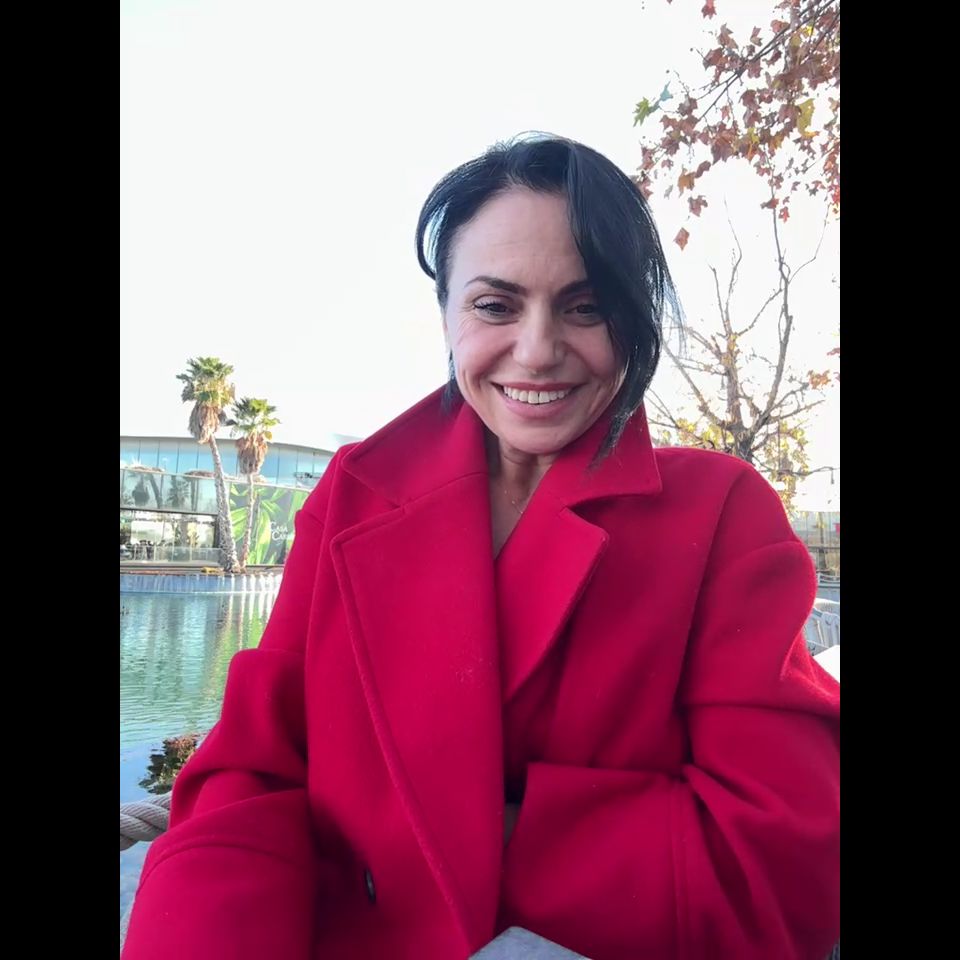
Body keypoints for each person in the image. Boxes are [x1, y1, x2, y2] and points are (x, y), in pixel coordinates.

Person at [122, 135, 840, 960]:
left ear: (632, 320)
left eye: (585, 307)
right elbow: (252, 770)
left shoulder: (719, 514)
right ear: (447, 316)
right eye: (496, 306)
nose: (537, 350)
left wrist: (450, 842)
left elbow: (780, 860)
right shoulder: (354, 491)